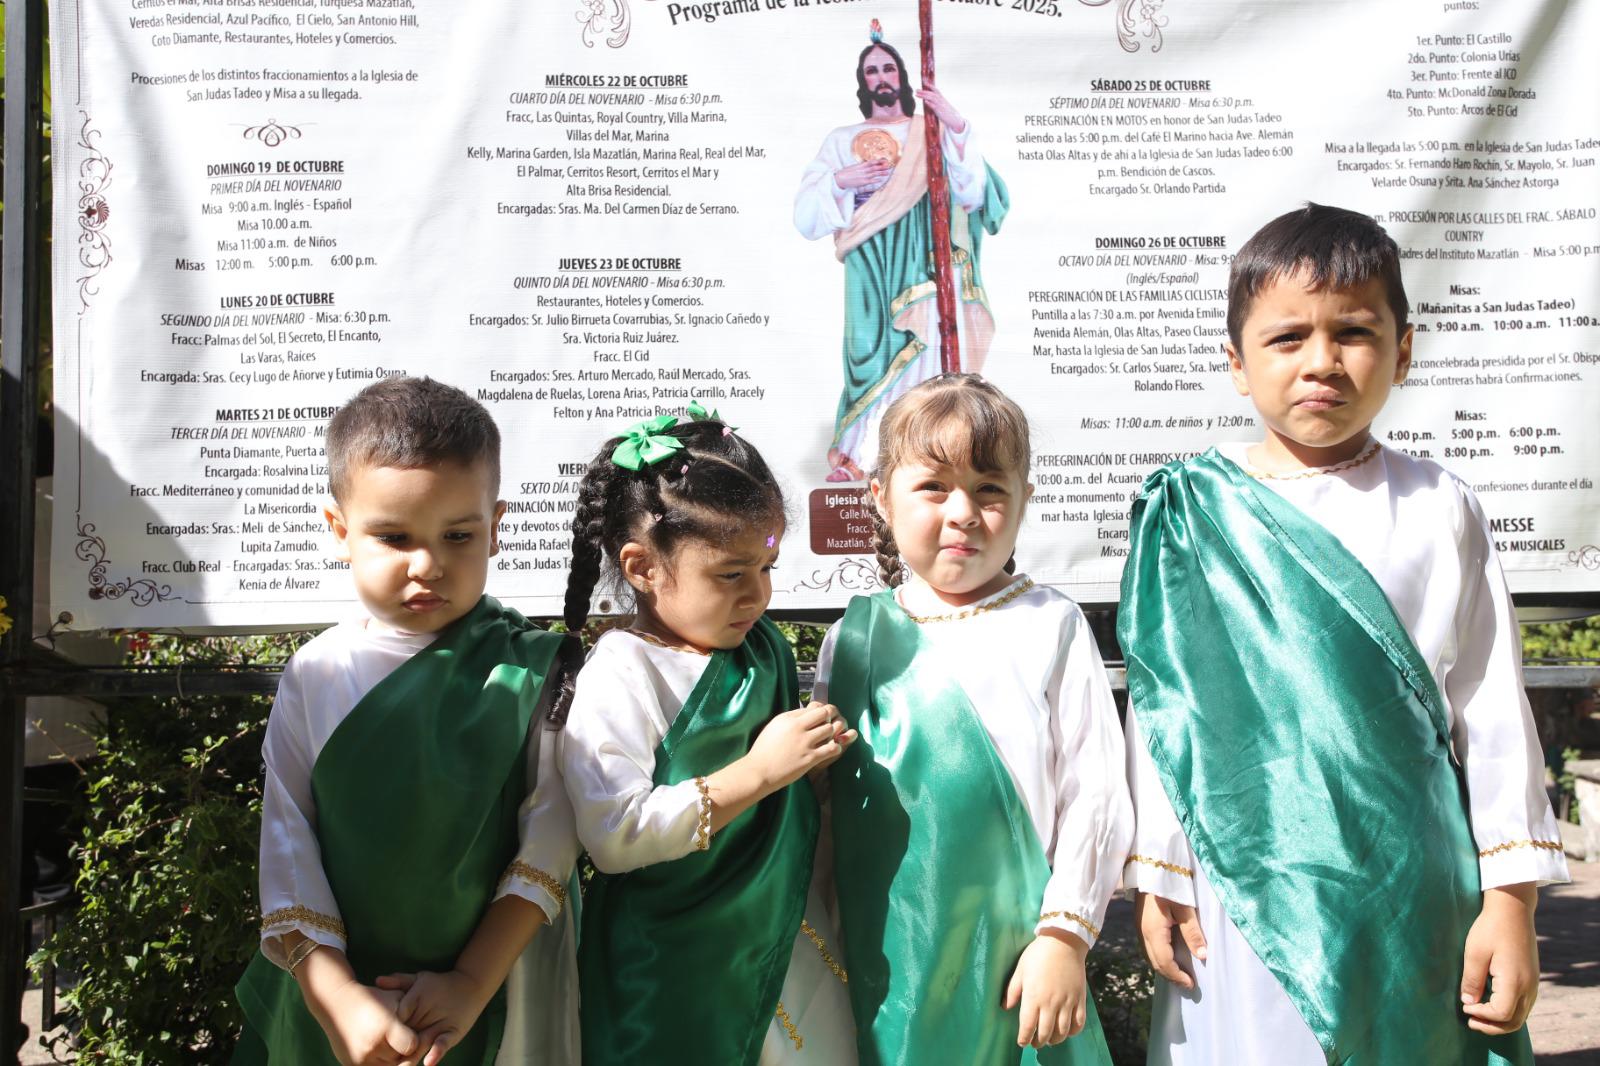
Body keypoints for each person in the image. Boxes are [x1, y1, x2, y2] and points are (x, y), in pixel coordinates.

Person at [1120, 204, 1571, 1065]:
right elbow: (1165, 708)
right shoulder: (1187, 511)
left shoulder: (1441, 505)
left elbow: (1492, 709)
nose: (1321, 361)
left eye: (1354, 332)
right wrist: (1162, 873)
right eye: (1287, 338)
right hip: (1241, 884)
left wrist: (1510, 903)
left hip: (1417, 884)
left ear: (1404, 348)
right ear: (1236, 361)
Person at [234, 376, 579, 1066]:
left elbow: (549, 841)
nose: (428, 565)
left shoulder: (537, 669)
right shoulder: (315, 673)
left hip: (496, 991)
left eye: (459, 535)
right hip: (335, 998)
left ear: (497, 527)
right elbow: (287, 839)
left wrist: (469, 983)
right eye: (393, 536)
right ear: (340, 531)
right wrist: (334, 999)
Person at [815, 374, 1130, 1065]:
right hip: (885, 959)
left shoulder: (1052, 624)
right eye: (933, 486)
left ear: (1023, 504)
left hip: (1019, 959)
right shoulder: (854, 638)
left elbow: (1096, 793)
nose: (963, 511)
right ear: (881, 498)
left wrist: (1065, 936)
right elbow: (825, 815)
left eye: (990, 489)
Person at [553, 406, 859, 1064]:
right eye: (730, 575)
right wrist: (761, 772)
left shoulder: (762, 649)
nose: (757, 595)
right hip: (665, 968)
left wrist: (814, 765)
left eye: (767, 567)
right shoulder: (620, 674)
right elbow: (613, 835)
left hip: (779, 941)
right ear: (641, 567)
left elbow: (787, 806)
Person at [795, 23, 1008, 483]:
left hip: (926, 265)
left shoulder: (927, 132)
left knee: (927, 348)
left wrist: (955, 125)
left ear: (902, 76)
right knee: (867, 356)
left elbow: (977, 194)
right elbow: (807, 216)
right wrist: (841, 181)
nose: (882, 76)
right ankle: (864, 455)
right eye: (872, 70)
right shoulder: (841, 139)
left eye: (889, 67)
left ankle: (926, 452)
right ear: (862, 81)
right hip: (870, 265)